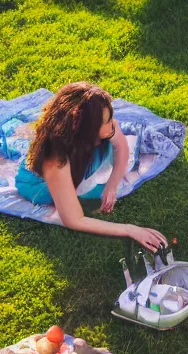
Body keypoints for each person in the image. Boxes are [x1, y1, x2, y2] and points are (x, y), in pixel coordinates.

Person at [15, 82, 168, 252]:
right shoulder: (55, 160)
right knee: (90, 194)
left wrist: (112, 185)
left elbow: (121, 147)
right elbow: (74, 220)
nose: (114, 123)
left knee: (99, 183)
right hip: (39, 184)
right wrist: (129, 229)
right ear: (86, 128)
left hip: (79, 155)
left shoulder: (102, 124)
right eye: (108, 121)